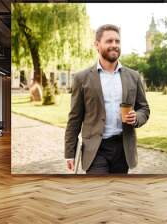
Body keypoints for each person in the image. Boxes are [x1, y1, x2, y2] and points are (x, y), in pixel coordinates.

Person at [64, 24, 150, 174]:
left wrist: (136, 117)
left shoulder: (133, 77)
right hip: (96, 149)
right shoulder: (81, 78)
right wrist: (69, 153)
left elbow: (144, 108)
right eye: (109, 41)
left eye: (117, 41)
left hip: (123, 149)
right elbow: (74, 118)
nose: (114, 45)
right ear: (97, 45)